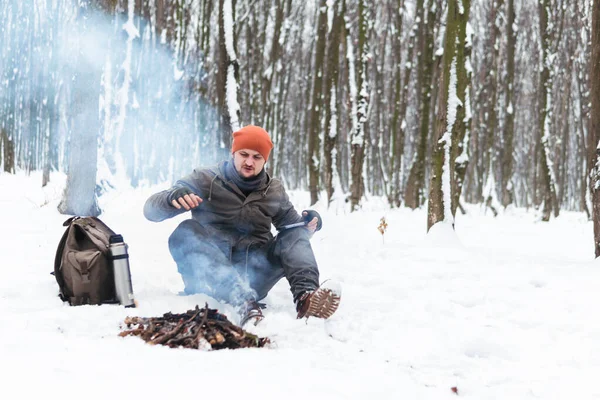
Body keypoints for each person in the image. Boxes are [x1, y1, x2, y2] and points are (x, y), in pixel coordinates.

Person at [143, 125, 340, 326]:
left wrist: (309, 224)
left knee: (294, 233)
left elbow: (294, 237)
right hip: (211, 277)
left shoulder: (274, 190)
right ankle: (241, 299)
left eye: (256, 157)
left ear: (265, 160)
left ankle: (307, 298)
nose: (249, 162)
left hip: (256, 277)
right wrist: (171, 198)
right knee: (185, 231)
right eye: (244, 154)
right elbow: (150, 211)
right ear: (233, 152)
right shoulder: (205, 179)